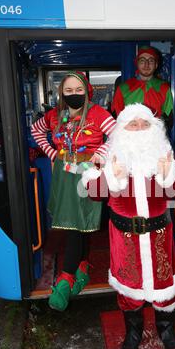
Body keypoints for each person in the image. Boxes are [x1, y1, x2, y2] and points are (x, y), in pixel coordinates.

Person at [82, 103, 175, 349]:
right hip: (124, 239)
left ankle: (166, 332)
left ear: (154, 128)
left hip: (159, 236)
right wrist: (111, 176)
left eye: (145, 124)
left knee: (165, 289)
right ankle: (133, 333)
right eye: (132, 124)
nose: (139, 129)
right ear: (122, 129)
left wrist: (170, 174)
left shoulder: (163, 153)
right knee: (129, 291)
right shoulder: (110, 157)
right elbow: (93, 193)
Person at [31, 71, 116, 311]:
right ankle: (81, 267)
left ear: (87, 91)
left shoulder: (100, 114)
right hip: (64, 174)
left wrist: (101, 153)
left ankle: (66, 277)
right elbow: (36, 131)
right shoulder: (54, 116)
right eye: (68, 91)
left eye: (78, 90)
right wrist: (51, 153)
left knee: (78, 225)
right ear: (61, 93)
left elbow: (119, 134)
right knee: (74, 225)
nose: (74, 95)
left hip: (89, 173)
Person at [111, 46, 173, 127]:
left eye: (151, 61)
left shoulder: (164, 88)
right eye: (142, 60)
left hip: (155, 136)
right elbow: (116, 118)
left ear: (156, 65)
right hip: (130, 136)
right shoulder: (124, 88)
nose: (146, 64)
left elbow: (169, 119)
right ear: (137, 63)